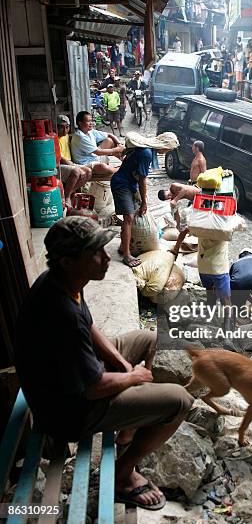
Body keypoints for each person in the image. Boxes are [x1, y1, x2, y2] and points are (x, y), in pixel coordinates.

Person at [14, 216, 193, 510]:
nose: (106, 258)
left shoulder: (65, 281)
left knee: (149, 339)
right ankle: (123, 476)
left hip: (74, 379)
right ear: (67, 261)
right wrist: (134, 378)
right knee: (180, 401)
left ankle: (128, 428)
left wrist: (124, 366)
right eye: (95, 253)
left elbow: (91, 326)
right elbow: (94, 388)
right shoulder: (61, 314)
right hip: (68, 412)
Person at [111, 134, 177, 268]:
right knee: (128, 218)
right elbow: (142, 179)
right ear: (163, 146)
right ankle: (126, 255)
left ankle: (124, 246)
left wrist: (142, 199)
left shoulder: (147, 151)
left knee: (133, 216)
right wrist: (144, 202)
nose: (167, 152)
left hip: (130, 184)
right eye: (168, 149)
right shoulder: (146, 154)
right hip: (121, 184)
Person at [71, 111, 124, 176]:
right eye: (88, 121)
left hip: (95, 157)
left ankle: (123, 161)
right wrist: (117, 149)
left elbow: (109, 134)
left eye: (91, 121)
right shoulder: (80, 137)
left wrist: (119, 144)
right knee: (103, 167)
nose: (91, 123)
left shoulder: (90, 131)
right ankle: (121, 169)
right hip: (85, 164)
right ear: (80, 123)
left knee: (110, 141)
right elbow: (98, 152)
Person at [57, 115, 92, 206]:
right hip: (58, 165)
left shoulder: (67, 136)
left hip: (69, 164)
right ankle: (67, 196)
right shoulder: (54, 138)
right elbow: (60, 158)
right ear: (56, 127)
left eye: (67, 127)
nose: (64, 130)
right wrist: (73, 165)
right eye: (61, 127)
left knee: (88, 171)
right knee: (76, 171)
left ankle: (68, 192)